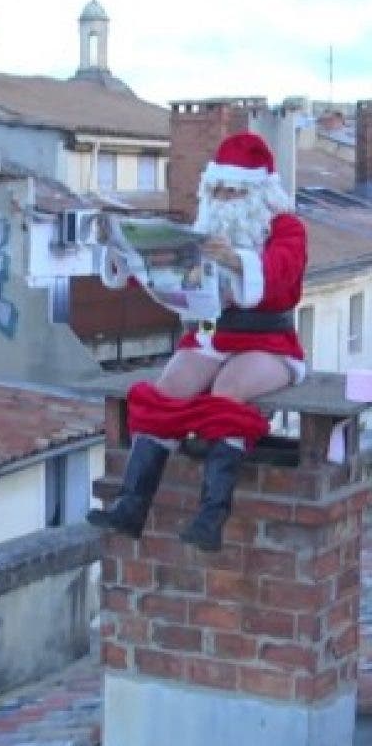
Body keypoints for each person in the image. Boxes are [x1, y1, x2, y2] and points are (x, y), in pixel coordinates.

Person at [89, 132, 307, 551]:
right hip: (211, 336)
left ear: (259, 192)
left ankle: (211, 516)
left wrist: (238, 261)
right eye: (218, 190)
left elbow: (280, 275)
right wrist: (120, 252)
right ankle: (131, 506)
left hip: (269, 340)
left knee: (228, 391)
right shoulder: (203, 229)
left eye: (235, 190)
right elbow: (160, 273)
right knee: (166, 390)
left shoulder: (287, 228)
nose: (225, 198)